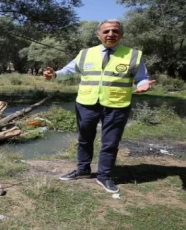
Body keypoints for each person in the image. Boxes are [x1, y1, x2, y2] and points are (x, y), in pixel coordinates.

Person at [43, 19, 156, 193]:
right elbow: (68, 71)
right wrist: (54, 75)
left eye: (115, 31)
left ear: (121, 35)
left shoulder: (134, 55)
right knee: (84, 139)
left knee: (110, 143)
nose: (110, 34)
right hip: (87, 103)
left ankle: (104, 176)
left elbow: (142, 77)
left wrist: (144, 84)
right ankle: (82, 170)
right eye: (106, 31)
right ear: (98, 35)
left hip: (117, 105)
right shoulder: (85, 53)